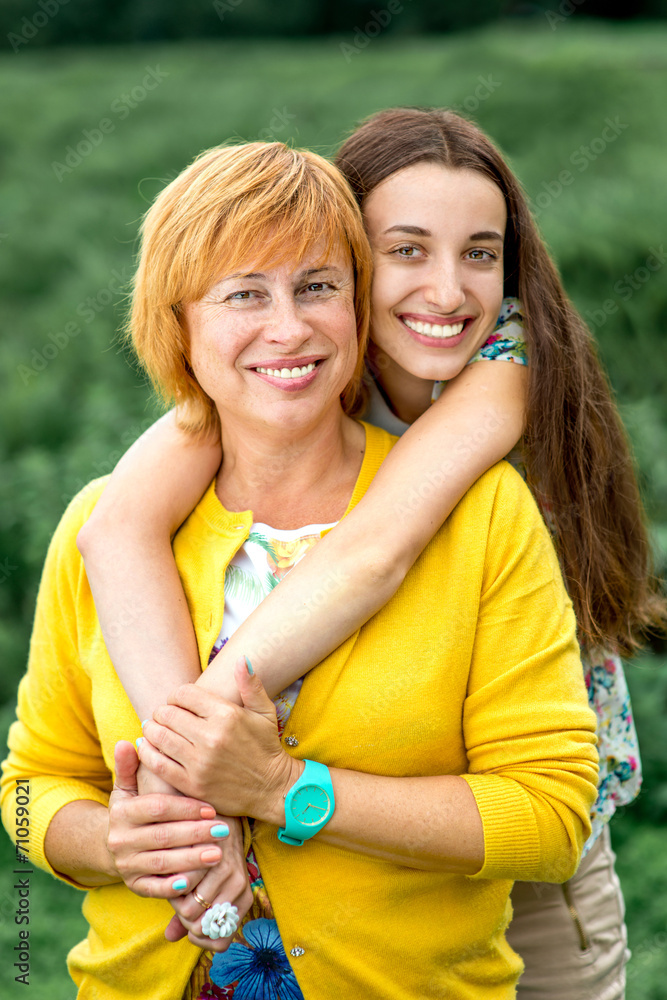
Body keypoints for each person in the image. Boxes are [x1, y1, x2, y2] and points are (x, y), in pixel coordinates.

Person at [76, 109, 666, 999]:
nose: (446, 290)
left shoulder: (505, 357)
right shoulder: (297, 360)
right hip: (353, 842)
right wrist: (207, 793)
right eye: (405, 249)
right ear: (344, 259)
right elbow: (114, 530)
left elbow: (373, 554)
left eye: (479, 251)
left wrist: (199, 766)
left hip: (528, 819)